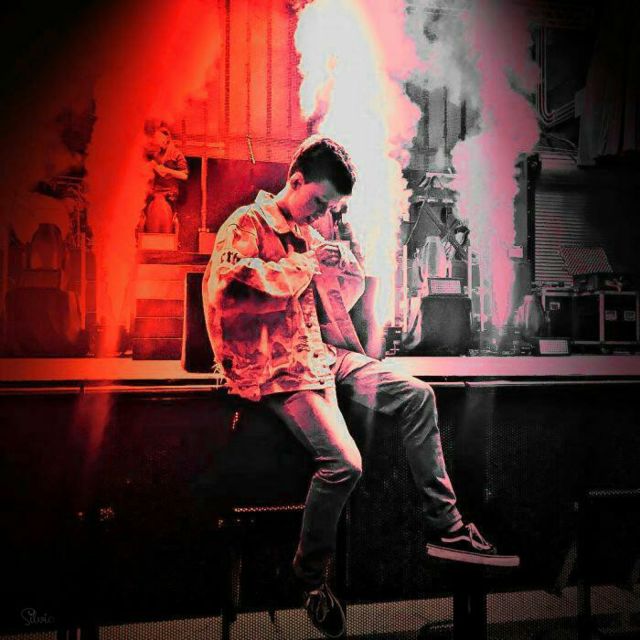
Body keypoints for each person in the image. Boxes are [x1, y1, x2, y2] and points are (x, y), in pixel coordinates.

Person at [202, 136, 516, 639]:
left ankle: (448, 528)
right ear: (295, 180)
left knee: (418, 396)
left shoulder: (309, 233)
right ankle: (309, 578)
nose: (321, 214)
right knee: (344, 464)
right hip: (278, 369)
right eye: (319, 202)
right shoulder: (247, 224)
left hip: (323, 356)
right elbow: (231, 285)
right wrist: (308, 264)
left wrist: (343, 268)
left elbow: (335, 305)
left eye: (330, 207)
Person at [139, 120, 188, 234]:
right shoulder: (154, 155)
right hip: (153, 195)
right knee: (148, 211)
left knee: (162, 208)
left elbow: (184, 175)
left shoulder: (177, 155)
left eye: (161, 141)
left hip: (169, 195)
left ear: (167, 139)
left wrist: (168, 171)